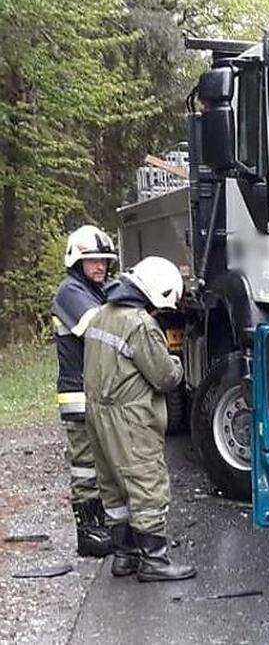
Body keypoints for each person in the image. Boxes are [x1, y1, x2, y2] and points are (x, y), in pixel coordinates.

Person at [83, 256, 196, 582]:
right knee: (146, 483)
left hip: (98, 413)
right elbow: (164, 378)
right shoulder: (140, 325)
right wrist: (176, 363)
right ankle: (155, 562)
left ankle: (125, 556)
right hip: (130, 416)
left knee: (114, 485)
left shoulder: (101, 315)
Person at [51, 225, 119, 558]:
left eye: (104, 261)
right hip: (79, 396)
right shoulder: (70, 292)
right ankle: (88, 533)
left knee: (101, 464)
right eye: (92, 261)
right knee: (85, 466)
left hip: (95, 393)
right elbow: (101, 328)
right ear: (77, 261)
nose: (100, 267)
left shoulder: (93, 290)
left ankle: (101, 526)